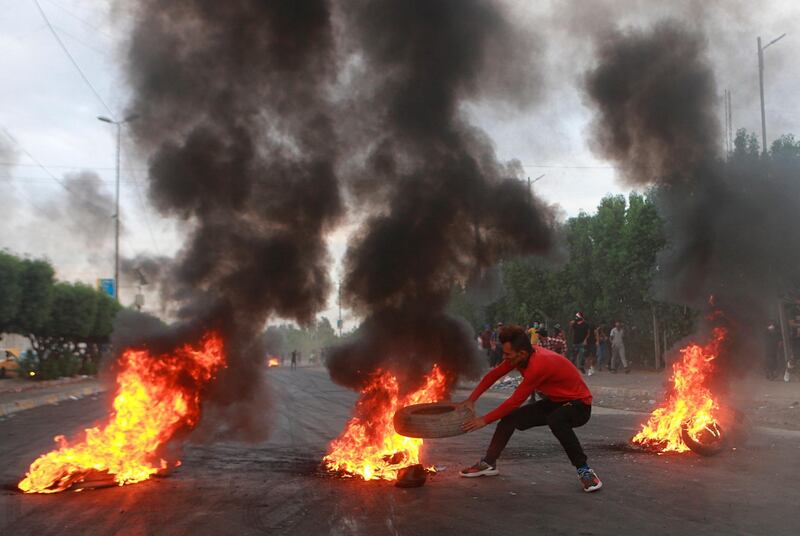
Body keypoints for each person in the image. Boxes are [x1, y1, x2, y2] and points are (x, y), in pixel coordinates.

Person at [457, 324, 602, 493]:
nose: (504, 357)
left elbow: (514, 401)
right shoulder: (519, 356)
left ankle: (584, 470)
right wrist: (471, 400)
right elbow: (493, 375)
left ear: (522, 353)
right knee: (510, 418)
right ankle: (489, 463)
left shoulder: (538, 365)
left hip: (579, 406)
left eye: (507, 354)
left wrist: (484, 420)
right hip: (556, 401)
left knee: (556, 419)